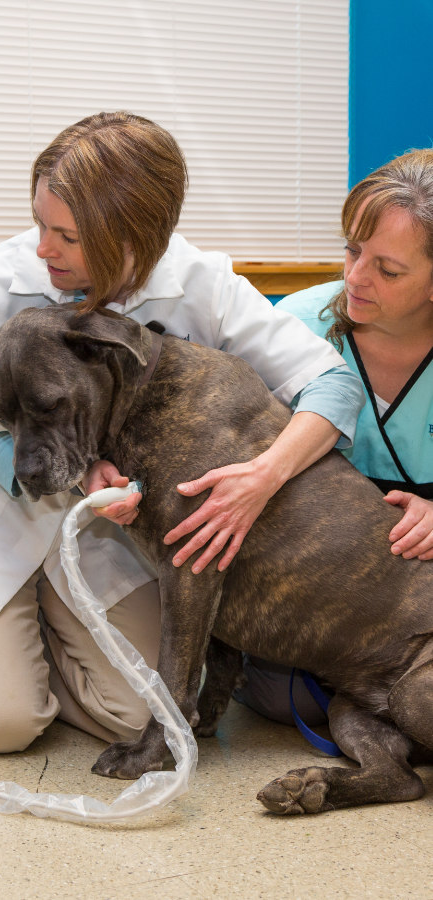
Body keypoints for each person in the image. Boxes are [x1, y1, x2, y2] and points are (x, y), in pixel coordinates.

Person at [0, 111, 364, 755]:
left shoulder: (199, 283)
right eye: (40, 223)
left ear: (134, 237)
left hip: (109, 537)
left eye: (65, 234)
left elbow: (332, 386)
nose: (43, 248)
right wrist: (80, 473)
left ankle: (31, 641)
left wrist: (264, 476)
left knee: (135, 721)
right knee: (4, 723)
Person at [236, 147, 433, 726]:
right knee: (279, 699)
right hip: (320, 582)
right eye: (352, 250)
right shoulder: (292, 328)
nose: (354, 278)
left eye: (388, 270)